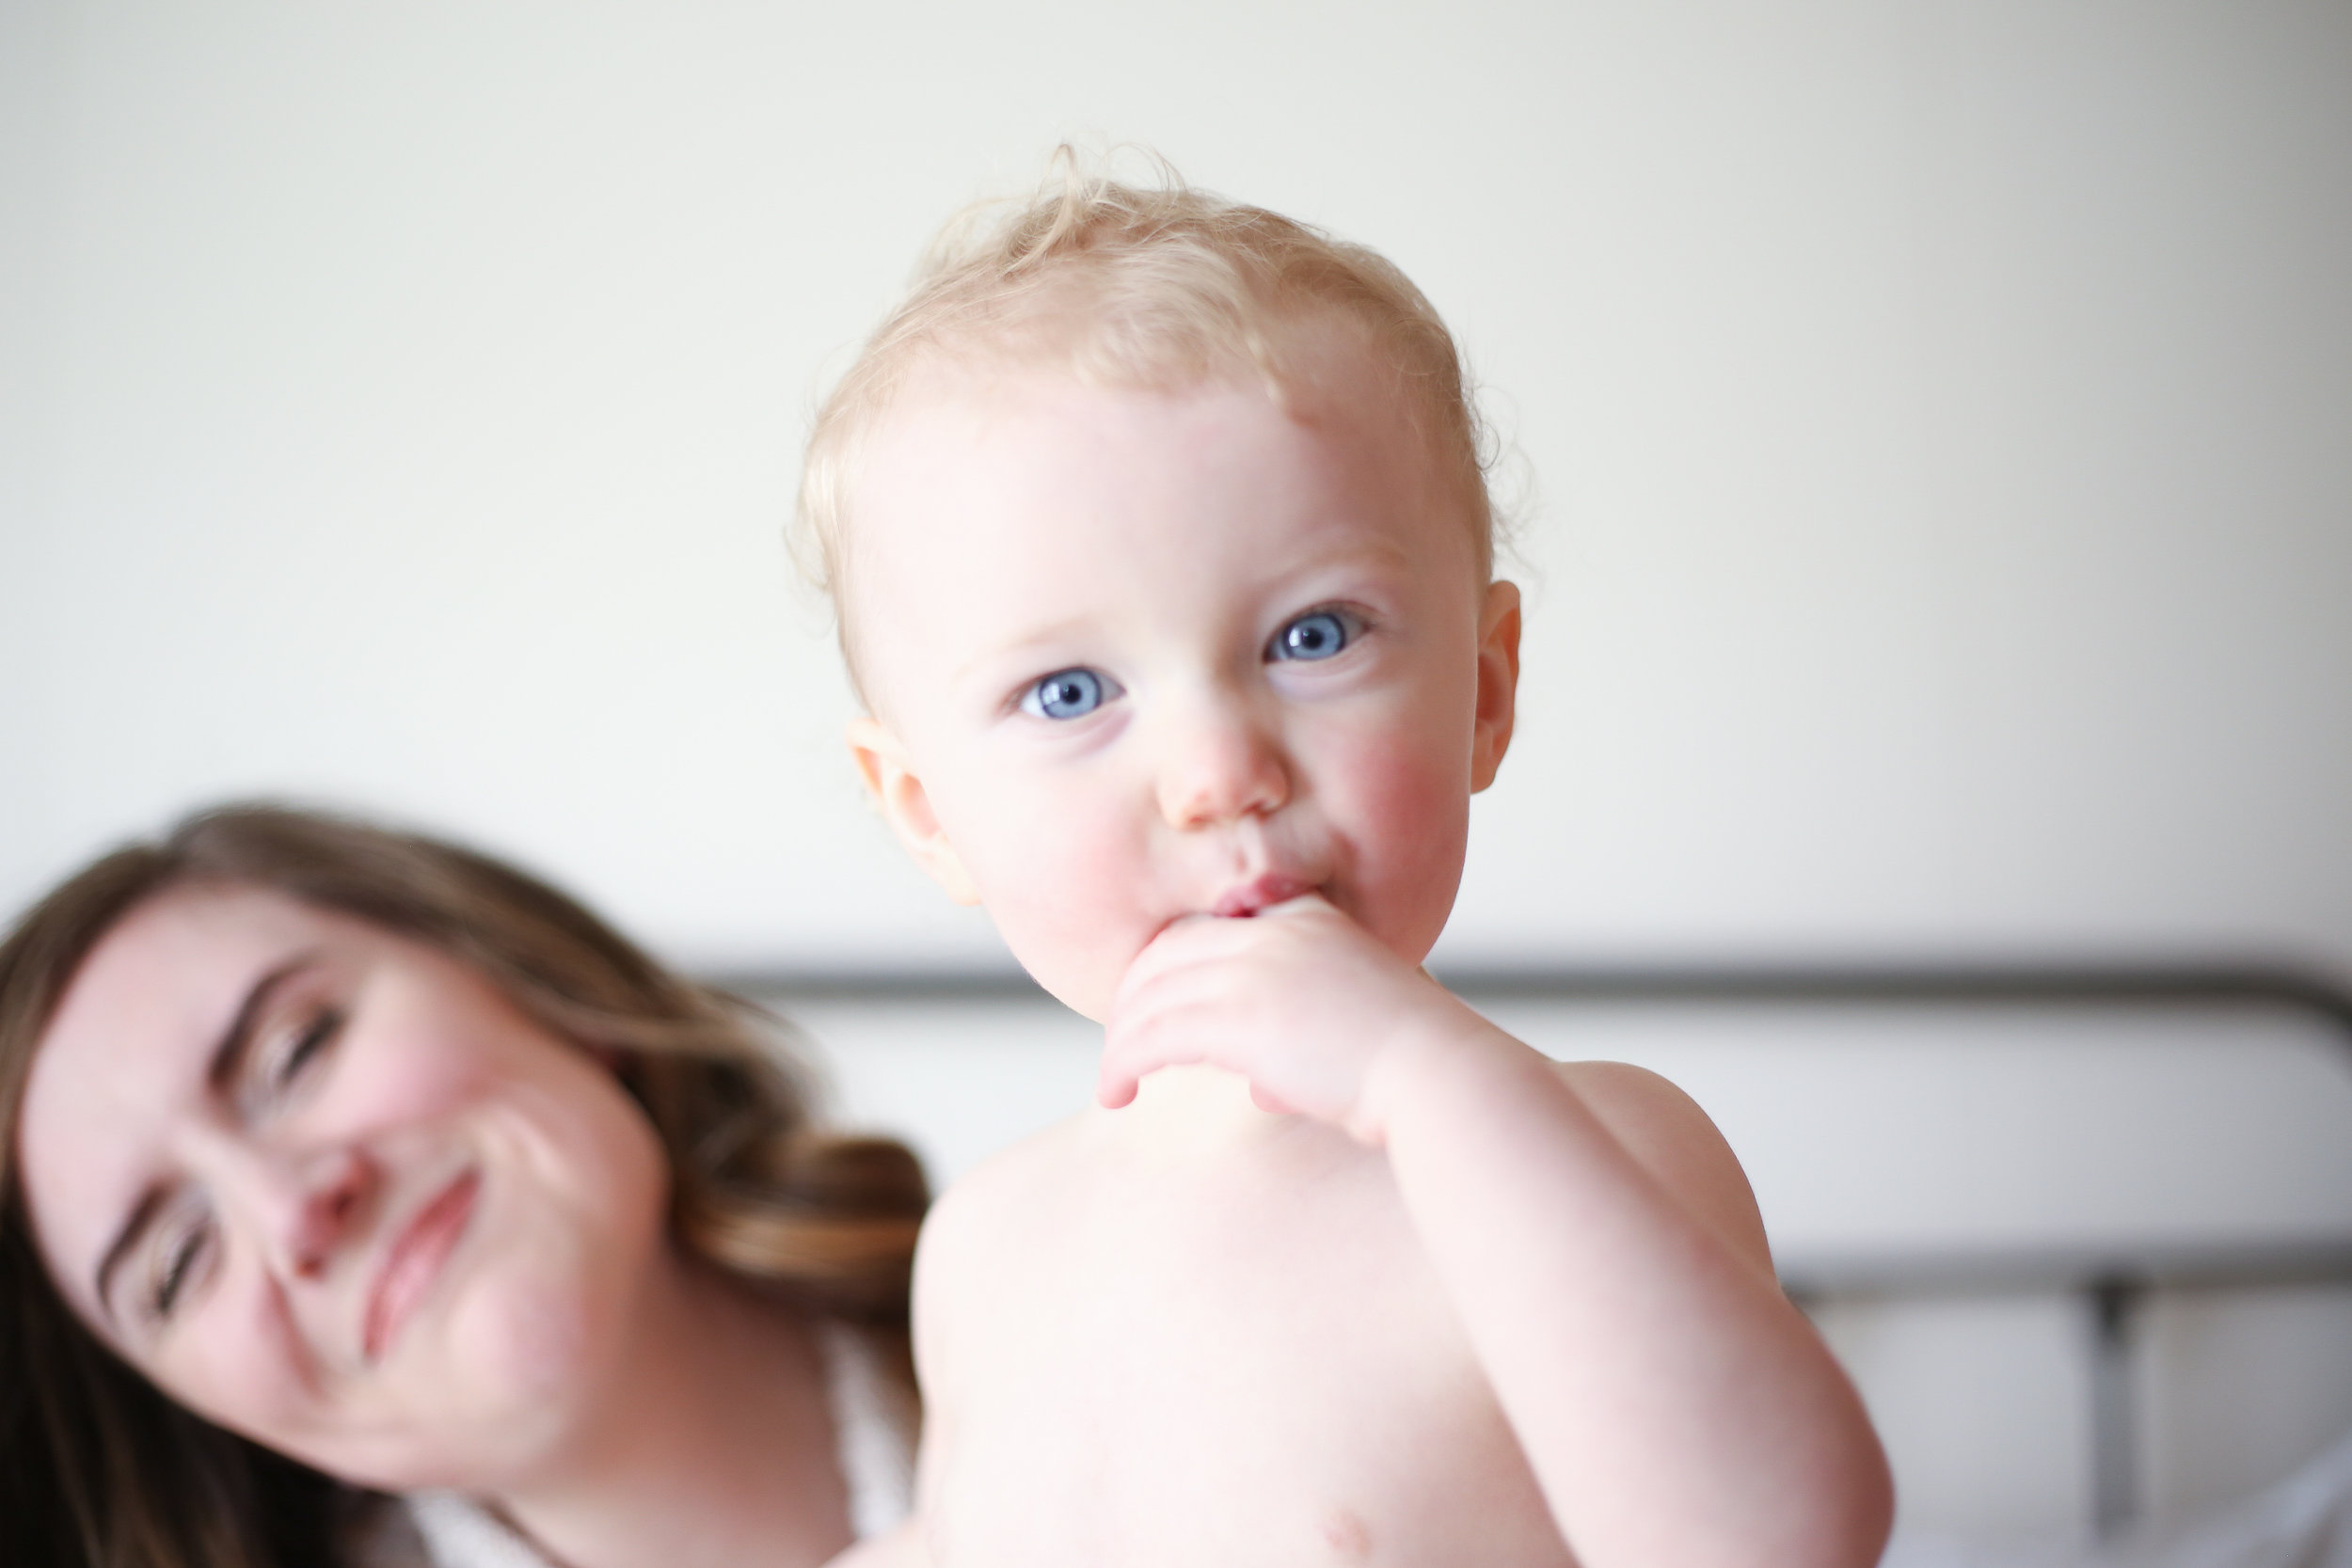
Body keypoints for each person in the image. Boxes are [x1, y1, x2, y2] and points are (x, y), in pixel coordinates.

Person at [793, 153, 1898, 1567]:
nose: (1216, 772)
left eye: (1313, 636)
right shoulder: (986, 1244)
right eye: (1071, 691)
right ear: (926, 809)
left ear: (1485, 692)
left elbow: (1785, 1537)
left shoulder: (1596, 1149)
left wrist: (1421, 1082)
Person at [0, 803, 929, 1568]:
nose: (289, 1211)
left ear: (530, 976)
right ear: (203, 1420)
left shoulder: (1056, 1287)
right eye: (176, 1265)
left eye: (298, 1048)